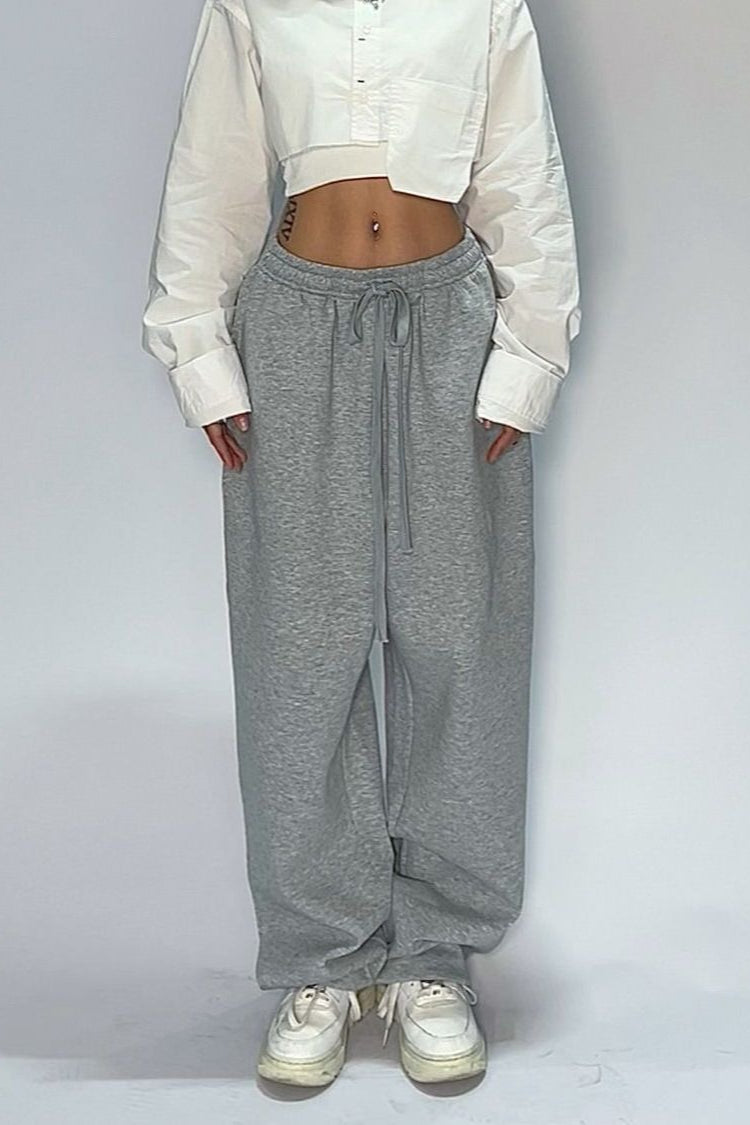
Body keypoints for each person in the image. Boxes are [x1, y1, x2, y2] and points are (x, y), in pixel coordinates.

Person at [141, 0, 582, 1088]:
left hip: (449, 321)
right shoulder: (254, 5)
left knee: (458, 636)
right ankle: (321, 960)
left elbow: (523, 180)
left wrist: (528, 355)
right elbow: (212, 176)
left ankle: (434, 956)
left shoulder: (484, 6)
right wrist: (199, 351)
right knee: (302, 648)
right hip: (298, 320)